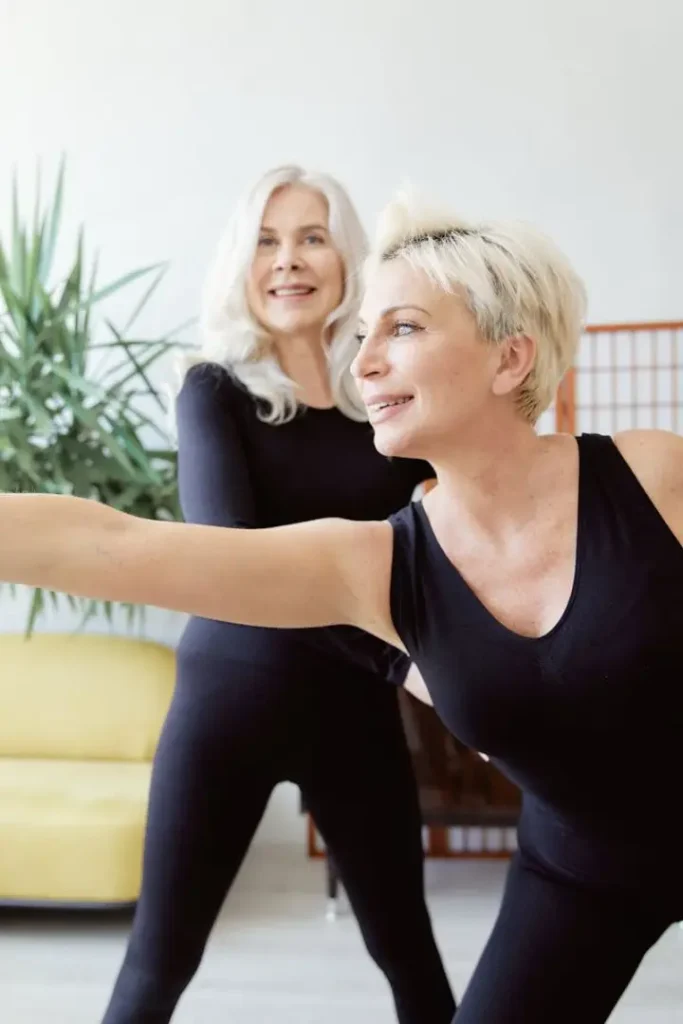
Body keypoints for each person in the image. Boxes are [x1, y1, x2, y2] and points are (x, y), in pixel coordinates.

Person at [3, 189, 683, 1024]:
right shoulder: (372, 564)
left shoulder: (653, 478)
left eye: (400, 328)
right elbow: (111, 546)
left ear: (509, 359)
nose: (362, 363)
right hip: (583, 870)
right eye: (363, 336)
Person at [98, 166, 456, 1023]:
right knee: (160, 962)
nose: (287, 261)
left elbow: (454, 514)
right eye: (266, 239)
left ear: (347, 259)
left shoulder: (383, 395)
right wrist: (394, 657)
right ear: (241, 262)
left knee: (408, 950)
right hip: (231, 702)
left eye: (311, 236)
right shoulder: (212, 390)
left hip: (353, 711)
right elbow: (233, 566)